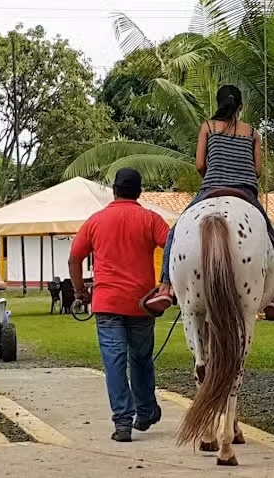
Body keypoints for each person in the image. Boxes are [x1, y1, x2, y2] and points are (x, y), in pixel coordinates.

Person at [143, 84, 274, 319]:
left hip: (211, 189)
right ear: (240, 107)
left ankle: (166, 287)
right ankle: (273, 295)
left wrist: (211, 176)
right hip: (245, 192)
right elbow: (258, 171)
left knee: (175, 232)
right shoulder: (253, 133)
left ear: (219, 104)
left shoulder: (208, 127)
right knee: (270, 236)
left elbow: (200, 164)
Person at [68, 167, 170, 443]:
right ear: (139, 192)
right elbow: (172, 246)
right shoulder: (151, 219)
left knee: (114, 362)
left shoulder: (95, 221)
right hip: (142, 304)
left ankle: (123, 422)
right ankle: (146, 411)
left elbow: (74, 258)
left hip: (107, 304)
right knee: (141, 358)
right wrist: (166, 282)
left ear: (114, 190)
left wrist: (80, 291)